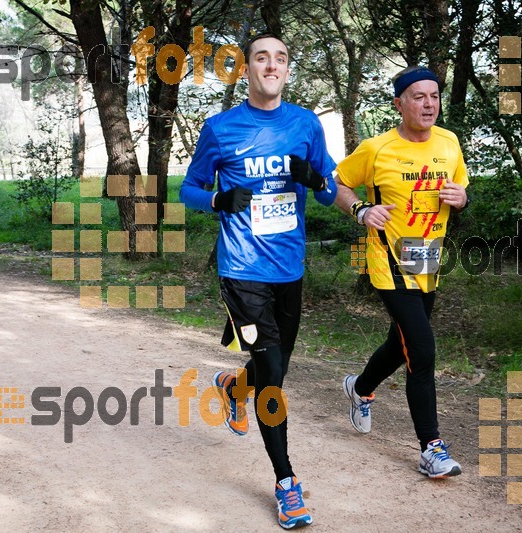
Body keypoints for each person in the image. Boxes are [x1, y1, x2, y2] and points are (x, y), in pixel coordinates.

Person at [179, 33, 337, 529]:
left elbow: (332, 192)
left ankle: (233, 386)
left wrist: (312, 179)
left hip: (289, 269)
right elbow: (189, 189)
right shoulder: (221, 129)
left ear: (288, 70)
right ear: (246, 69)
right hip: (241, 271)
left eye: (282, 58)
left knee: (274, 371)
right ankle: (287, 483)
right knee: (274, 377)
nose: (272, 65)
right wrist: (218, 202)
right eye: (262, 58)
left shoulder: (306, 125)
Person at [333, 65, 468, 479]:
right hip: (388, 264)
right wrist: (361, 210)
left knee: (401, 343)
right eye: (418, 97)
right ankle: (431, 448)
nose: (429, 104)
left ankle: (359, 388)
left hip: (427, 261)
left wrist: (462, 198)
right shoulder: (376, 149)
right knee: (422, 352)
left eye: (434, 96)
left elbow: (462, 188)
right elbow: (336, 183)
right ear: (399, 103)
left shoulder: (449, 142)